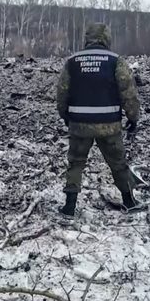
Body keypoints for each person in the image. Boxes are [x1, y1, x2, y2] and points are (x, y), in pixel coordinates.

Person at [56, 23, 142, 217]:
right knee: (118, 163)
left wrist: (65, 116)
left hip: (79, 125)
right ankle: (129, 201)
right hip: (109, 125)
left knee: (75, 163)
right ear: (106, 38)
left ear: (87, 38)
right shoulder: (115, 61)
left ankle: (69, 207)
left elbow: (62, 93)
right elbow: (128, 93)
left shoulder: (72, 61)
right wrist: (133, 117)